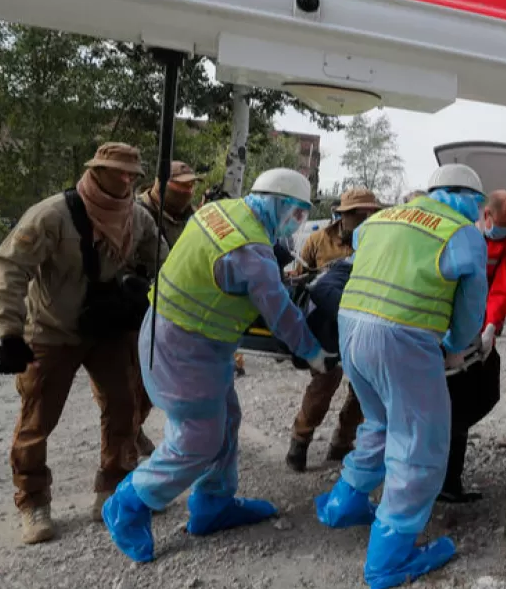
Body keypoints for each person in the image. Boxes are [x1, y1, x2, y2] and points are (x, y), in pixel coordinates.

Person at [101, 168, 332, 564]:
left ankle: (213, 505)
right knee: (199, 438)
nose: (295, 223)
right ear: (278, 202)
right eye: (295, 214)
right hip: (183, 350)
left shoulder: (220, 211)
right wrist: (313, 354)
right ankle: (128, 504)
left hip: (183, 338)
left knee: (225, 419)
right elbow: (281, 314)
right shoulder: (252, 252)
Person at [313, 165, 488, 589]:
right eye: (478, 204)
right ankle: (389, 558)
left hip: (351, 330)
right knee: (420, 443)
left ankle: (344, 503)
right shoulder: (462, 234)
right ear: (467, 197)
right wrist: (456, 344)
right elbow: (467, 318)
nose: (478, 212)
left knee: (380, 423)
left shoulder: (384, 218)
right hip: (402, 340)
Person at [0, 143, 167, 545]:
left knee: (124, 409)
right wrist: (9, 332)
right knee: (37, 420)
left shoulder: (138, 217)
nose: (126, 179)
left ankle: (114, 489)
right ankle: (33, 501)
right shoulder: (52, 215)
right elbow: (10, 266)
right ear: (96, 169)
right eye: (117, 171)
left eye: (132, 173)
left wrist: (153, 291)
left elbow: (165, 261)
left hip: (106, 329)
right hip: (52, 331)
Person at [285, 187, 383, 472]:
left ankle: (342, 445)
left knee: (363, 390)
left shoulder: (379, 242)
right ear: (343, 215)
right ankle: (299, 442)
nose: (365, 218)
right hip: (326, 328)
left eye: (370, 213)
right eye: (358, 214)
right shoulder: (318, 240)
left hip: (362, 327)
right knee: (324, 383)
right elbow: (297, 278)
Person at [440, 189, 506, 504]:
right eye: (501, 224)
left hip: (475, 328)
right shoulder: (457, 229)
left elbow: (503, 286)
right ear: (485, 214)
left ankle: (448, 481)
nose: (504, 231)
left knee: (469, 394)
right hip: (439, 322)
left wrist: (491, 326)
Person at [132, 160, 203, 457]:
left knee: (154, 379)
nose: (187, 191)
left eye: (191, 185)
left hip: (173, 310)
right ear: (161, 184)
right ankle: (127, 437)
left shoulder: (194, 218)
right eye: (181, 185)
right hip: (135, 305)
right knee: (129, 382)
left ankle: (134, 430)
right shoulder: (136, 212)